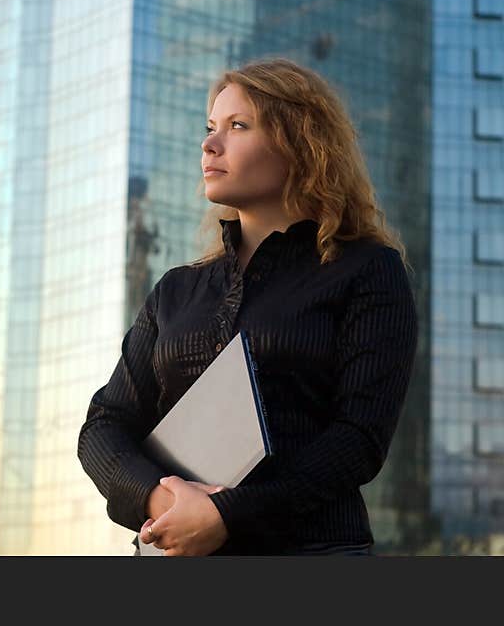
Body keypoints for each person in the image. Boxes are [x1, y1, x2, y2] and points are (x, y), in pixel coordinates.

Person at [76, 57, 419, 556]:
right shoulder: (175, 291)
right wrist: (156, 498)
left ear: (301, 145)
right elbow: (105, 424)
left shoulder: (368, 271)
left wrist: (227, 516)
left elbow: (359, 439)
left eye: (238, 126)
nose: (210, 143)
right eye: (211, 127)